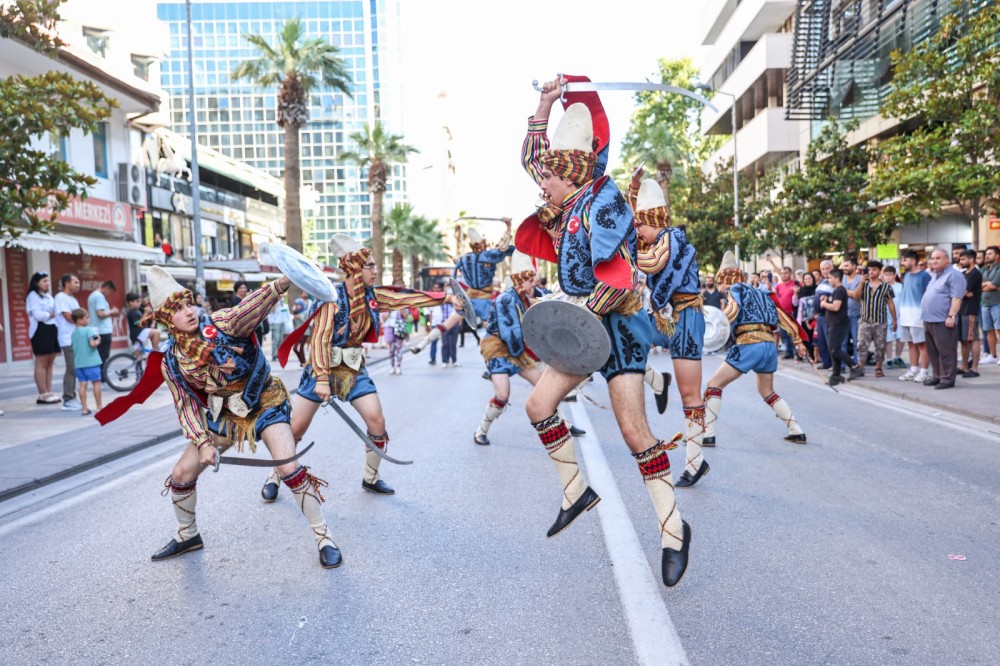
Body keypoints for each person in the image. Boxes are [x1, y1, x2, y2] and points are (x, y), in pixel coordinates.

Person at [521, 79, 689, 587]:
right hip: (584, 319)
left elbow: (617, 277)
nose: (539, 182)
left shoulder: (603, 201)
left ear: (567, 174)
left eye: (548, 175)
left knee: (634, 432)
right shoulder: (561, 200)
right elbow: (531, 155)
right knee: (537, 406)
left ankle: (673, 529)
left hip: (618, 322)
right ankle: (576, 492)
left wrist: (579, 319)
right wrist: (548, 103)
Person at [97, 266, 341, 568]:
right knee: (180, 475)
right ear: (164, 319)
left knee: (289, 467)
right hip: (224, 415)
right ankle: (188, 535)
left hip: (264, 401)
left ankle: (324, 537)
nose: (189, 311)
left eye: (189, 303)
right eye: (179, 309)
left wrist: (284, 280)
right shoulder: (172, 362)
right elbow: (186, 406)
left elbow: (251, 307)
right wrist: (202, 443)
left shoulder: (221, 322)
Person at [262, 234, 466, 501]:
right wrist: (322, 379)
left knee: (377, 422)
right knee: (296, 429)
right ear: (355, 269)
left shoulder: (372, 296)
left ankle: (370, 478)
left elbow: (406, 298)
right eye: (370, 265)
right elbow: (321, 339)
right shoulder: (329, 297)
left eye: (374, 265)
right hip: (321, 370)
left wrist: (447, 299)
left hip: (354, 369)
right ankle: (275, 475)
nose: (375, 269)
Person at [474, 252, 585, 445]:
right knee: (502, 395)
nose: (533, 283)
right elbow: (511, 334)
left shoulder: (531, 295)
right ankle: (481, 431)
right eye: (530, 280)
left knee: (545, 388)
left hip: (516, 349)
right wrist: (535, 351)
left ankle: (564, 425)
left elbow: (552, 306)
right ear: (520, 281)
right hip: (498, 350)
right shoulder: (505, 300)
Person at [703, 252, 808, 447]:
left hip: (750, 343)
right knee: (767, 391)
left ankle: (707, 434)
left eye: (721, 283)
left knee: (713, 385)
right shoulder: (763, 293)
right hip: (769, 346)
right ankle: (795, 429)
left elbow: (732, 311)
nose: (720, 287)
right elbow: (783, 317)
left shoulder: (735, 289)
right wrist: (798, 341)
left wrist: (713, 321)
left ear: (725, 279)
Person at [628, 177, 698, 462]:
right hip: (666, 318)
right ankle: (658, 380)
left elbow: (655, 262)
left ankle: (695, 460)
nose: (638, 234)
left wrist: (624, 253)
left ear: (650, 220)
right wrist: (632, 191)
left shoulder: (672, 238)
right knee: (626, 336)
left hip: (686, 319)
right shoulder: (660, 239)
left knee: (690, 395)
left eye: (639, 227)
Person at [409, 219, 514, 355]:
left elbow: (453, 277)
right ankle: (499, 359)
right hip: (485, 301)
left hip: (467, 299)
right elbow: (503, 248)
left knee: (446, 324)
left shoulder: (463, 259)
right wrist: (508, 227)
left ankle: (423, 344)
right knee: (497, 330)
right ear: (482, 243)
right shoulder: (487, 256)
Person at [920, 248, 966, 389]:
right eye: (932, 258)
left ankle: (947, 379)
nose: (934, 261)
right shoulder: (935, 275)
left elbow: (957, 298)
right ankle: (937, 376)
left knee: (946, 351)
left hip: (943, 320)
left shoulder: (954, 275)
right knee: (933, 351)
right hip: (929, 319)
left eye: (938, 258)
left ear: (947, 260)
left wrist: (951, 316)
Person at [850, 260, 896, 378]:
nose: (871, 272)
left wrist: (895, 320)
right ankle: (860, 367)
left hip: (880, 321)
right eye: (869, 269)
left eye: (874, 269)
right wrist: (861, 283)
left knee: (880, 346)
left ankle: (878, 367)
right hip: (865, 321)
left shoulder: (886, 287)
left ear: (880, 271)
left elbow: (890, 304)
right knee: (861, 345)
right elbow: (856, 296)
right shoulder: (863, 284)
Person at [819, 268, 864, 386]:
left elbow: (835, 307)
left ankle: (855, 366)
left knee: (835, 349)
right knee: (833, 349)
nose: (828, 280)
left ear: (836, 278)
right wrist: (826, 298)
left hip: (838, 324)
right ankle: (836, 374)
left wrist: (824, 304)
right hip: (833, 323)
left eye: (829, 278)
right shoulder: (837, 291)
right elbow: (834, 303)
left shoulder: (839, 290)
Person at [896, 250, 933, 382]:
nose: (903, 262)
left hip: (918, 316)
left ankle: (924, 371)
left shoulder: (925, 276)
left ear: (913, 261)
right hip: (905, 316)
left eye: (905, 260)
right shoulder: (906, 275)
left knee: (922, 345)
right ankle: (913, 369)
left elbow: (929, 296)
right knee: (911, 344)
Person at [26, 272, 62, 404]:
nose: (47, 283)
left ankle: (49, 391)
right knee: (41, 362)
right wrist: (52, 314)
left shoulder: (48, 296)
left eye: (48, 281)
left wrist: (52, 314)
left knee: (50, 362)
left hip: (52, 328)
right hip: (40, 330)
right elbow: (39, 315)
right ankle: (43, 393)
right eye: (44, 281)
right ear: (36, 283)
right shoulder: (32, 296)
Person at [54, 274, 82, 411]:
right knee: (71, 368)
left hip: (75, 338)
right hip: (67, 338)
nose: (78, 284)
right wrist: (82, 319)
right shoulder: (61, 298)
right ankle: (68, 399)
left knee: (75, 368)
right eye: (75, 282)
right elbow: (69, 317)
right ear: (67, 283)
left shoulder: (72, 299)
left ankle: (72, 396)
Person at [70, 309, 103, 416]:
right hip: (91, 362)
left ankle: (84, 408)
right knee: (96, 383)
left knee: (82, 385)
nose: (88, 319)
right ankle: (99, 407)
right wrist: (98, 340)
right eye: (86, 317)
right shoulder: (89, 330)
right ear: (79, 320)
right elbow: (92, 344)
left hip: (79, 364)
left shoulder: (73, 333)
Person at [957, 249, 983, 377]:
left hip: (970, 310)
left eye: (963, 259)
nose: (960, 261)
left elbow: (962, 291)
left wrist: (964, 293)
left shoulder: (975, 273)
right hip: (961, 309)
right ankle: (964, 366)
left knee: (973, 339)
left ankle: (975, 368)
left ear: (971, 260)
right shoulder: (963, 273)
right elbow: (958, 290)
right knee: (963, 340)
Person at [87, 280, 119, 378]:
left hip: (96, 329)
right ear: (107, 288)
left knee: (98, 355)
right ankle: (101, 377)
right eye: (110, 291)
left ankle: (98, 376)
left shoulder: (93, 295)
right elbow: (100, 314)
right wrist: (112, 311)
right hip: (102, 331)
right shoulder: (99, 296)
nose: (109, 294)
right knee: (103, 356)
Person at [839, 256, 862, 364]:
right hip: (843, 315)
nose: (845, 268)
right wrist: (851, 292)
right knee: (842, 342)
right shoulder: (842, 277)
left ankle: (856, 364)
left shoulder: (860, 279)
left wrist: (844, 291)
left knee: (856, 342)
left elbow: (857, 295)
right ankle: (843, 365)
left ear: (854, 266)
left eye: (847, 265)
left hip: (856, 315)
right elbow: (838, 290)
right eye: (844, 266)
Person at [881, 266, 905, 368]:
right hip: (886, 316)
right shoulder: (881, 287)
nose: (888, 277)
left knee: (901, 337)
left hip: (900, 315)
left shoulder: (900, 286)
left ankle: (897, 357)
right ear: (883, 276)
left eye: (891, 274)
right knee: (888, 338)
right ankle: (889, 359)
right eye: (886, 275)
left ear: (895, 275)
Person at [773, 266, 798, 359]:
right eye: (782, 273)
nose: (783, 275)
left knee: (793, 333)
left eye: (786, 273)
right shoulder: (778, 286)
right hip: (782, 313)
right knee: (784, 334)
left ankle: (797, 352)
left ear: (790, 273)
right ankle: (789, 352)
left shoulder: (795, 284)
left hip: (792, 313)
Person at [813, 260, 835, 369]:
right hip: (820, 316)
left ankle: (834, 364)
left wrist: (829, 298)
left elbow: (839, 294)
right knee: (821, 341)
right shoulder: (822, 282)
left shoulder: (836, 280)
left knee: (830, 341)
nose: (825, 271)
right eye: (823, 269)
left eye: (827, 268)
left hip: (830, 315)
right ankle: (826, 362)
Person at [981, 246, 1000, 364]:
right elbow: (980, 285)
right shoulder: (984, 269)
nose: (987, 256)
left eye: (990, 254)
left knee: (999, 330)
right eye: (986, 254)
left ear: (997, 256)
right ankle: (993, 356)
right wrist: (990, 285)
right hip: (985, 304)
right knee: (989, 331)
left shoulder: (999, 268)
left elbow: (994, 285)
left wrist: (988, 285)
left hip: (997, 303)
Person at [793, 271, 817, 362]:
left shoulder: (817, 289)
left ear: (813, 279)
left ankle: (814, 356)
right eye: (806, 279)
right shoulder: (801, 290)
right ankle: (805, 355)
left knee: (813, 338)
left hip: (814, 318)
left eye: (809, 278)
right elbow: (795, 304)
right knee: (805, 338)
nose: (808, 280)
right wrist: (795, 293)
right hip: (803, 319)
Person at [267, 296, 293, 361]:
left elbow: (284, 310)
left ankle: (279, 354)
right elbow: (272, 310)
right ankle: (274, 355)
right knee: (276, 338)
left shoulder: (283, 300)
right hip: (275, 322)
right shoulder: (273, 300)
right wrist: (275, 302)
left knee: (281, 339)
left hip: (282, 321)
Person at [384, 308, 408, 375]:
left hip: (399, 329)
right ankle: (392, 366)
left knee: (399, 349)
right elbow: (383, 319)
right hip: (389, 329)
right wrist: (389, 312)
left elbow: (406, 316)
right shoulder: (386, 307)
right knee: (391, 350)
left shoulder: (401, 306)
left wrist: (401, 308)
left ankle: (398, 366)